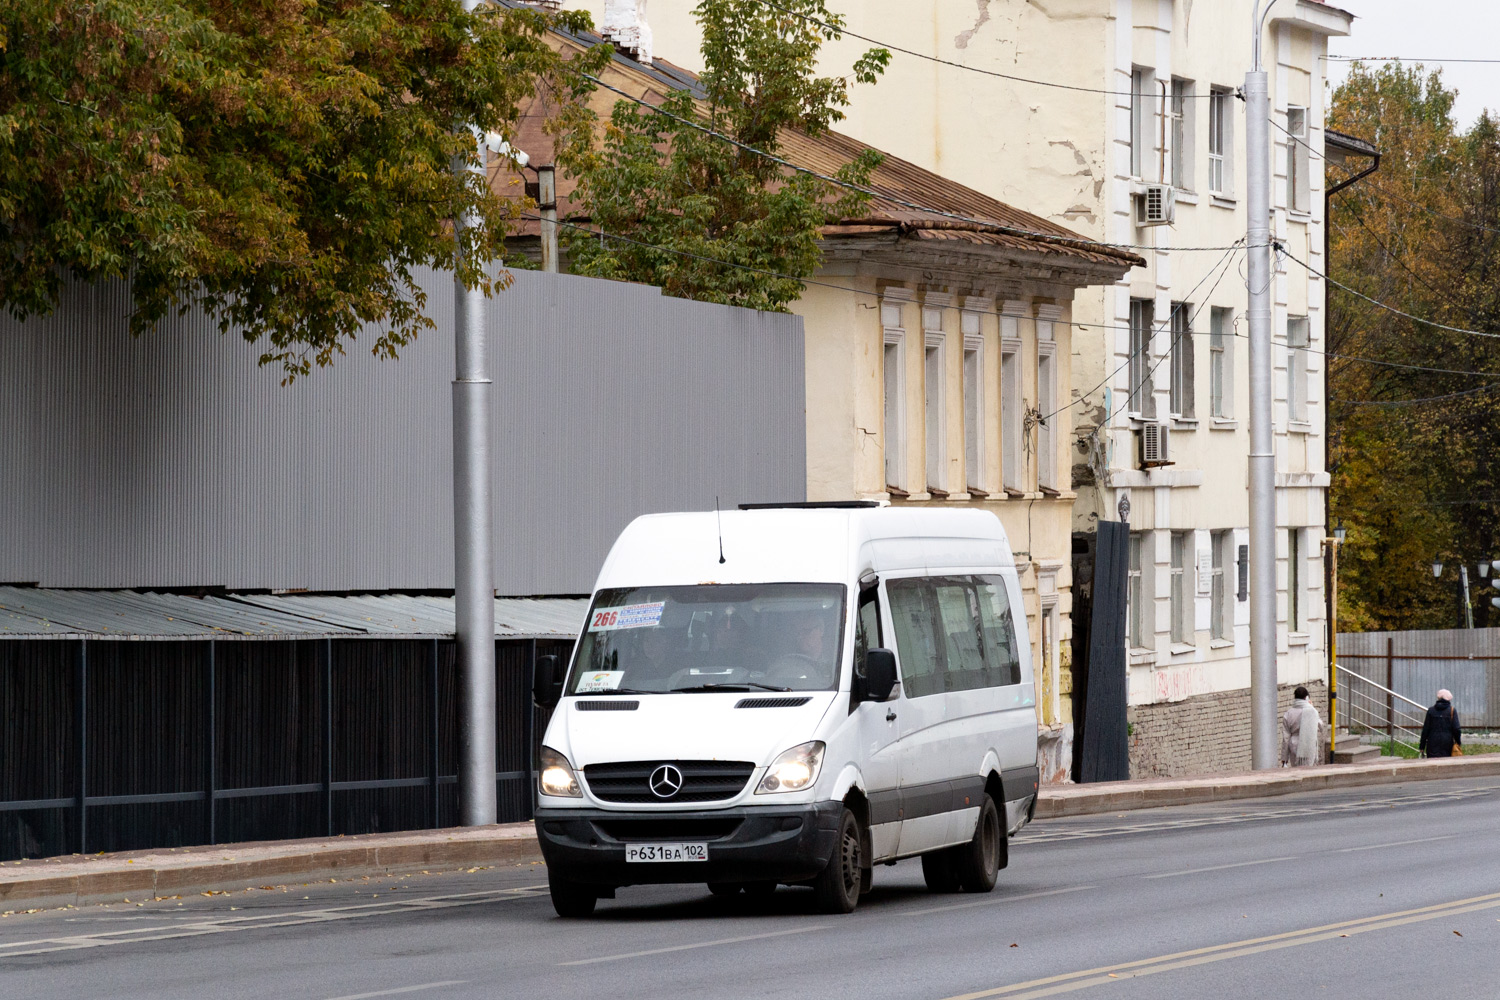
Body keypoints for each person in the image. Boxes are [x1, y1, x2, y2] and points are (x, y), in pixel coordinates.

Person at [1281, 686, 1322, 767]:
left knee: (1296, 770)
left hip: (1294, 746)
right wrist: (1312, 707)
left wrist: (1284, 758)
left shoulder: (1289, 713)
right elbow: (1321, 726)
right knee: (1309, 770)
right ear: (1306, 698)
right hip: (1309, 746)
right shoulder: (1312, 711)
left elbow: (1286, 738)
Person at [1419, 688, 1463, 758]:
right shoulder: (1452, 710)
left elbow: (1425, 729)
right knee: (1447, 762)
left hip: (1432, 742)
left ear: (1438, 698)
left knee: (1432, 762)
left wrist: (1422, 746)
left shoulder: (1431, 710)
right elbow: (1456, 729)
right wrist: (1458, 742)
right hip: (1447, 742)